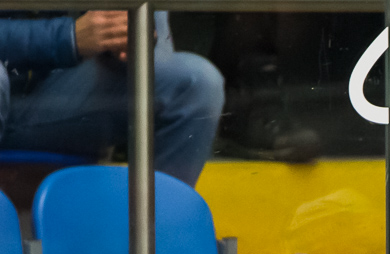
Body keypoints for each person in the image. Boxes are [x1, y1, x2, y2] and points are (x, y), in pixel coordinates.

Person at [0, 11, 223, 186]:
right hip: (11, 84)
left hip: (53, 97)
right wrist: (67, 37)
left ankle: (159, 226)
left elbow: (158, 59)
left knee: (197, 83)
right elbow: (72, 37)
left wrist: (123, 36)